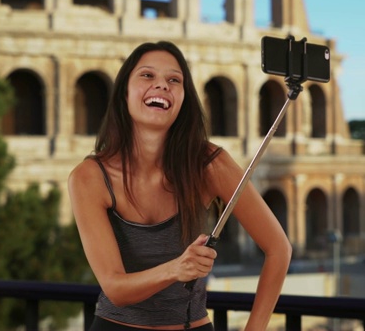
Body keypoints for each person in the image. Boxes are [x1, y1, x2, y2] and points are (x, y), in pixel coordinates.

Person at [68, 41, 292, 331]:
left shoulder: (211, 164)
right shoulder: (89, 177)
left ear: (184, 98)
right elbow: (116, 289)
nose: (162, 85)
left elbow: (278, 249)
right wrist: (176, 269)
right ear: (125, 92)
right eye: (147, 75)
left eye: (174, 80)